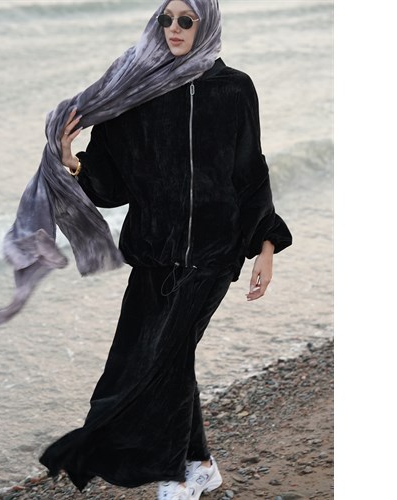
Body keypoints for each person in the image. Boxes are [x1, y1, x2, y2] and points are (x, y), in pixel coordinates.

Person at [34, 1, 293, 499]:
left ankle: (175, 476)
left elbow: (249, 171)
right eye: (165, 19)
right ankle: (201, 465)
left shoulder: (235, 89)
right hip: (154, 255)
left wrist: (265, 245)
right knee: (147, 362)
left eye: (185, 20)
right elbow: (112, 184)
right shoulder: (138, 91)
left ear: (206, 23)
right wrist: (72, 162)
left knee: (166, 361)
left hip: (214, 255)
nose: (173, 28)